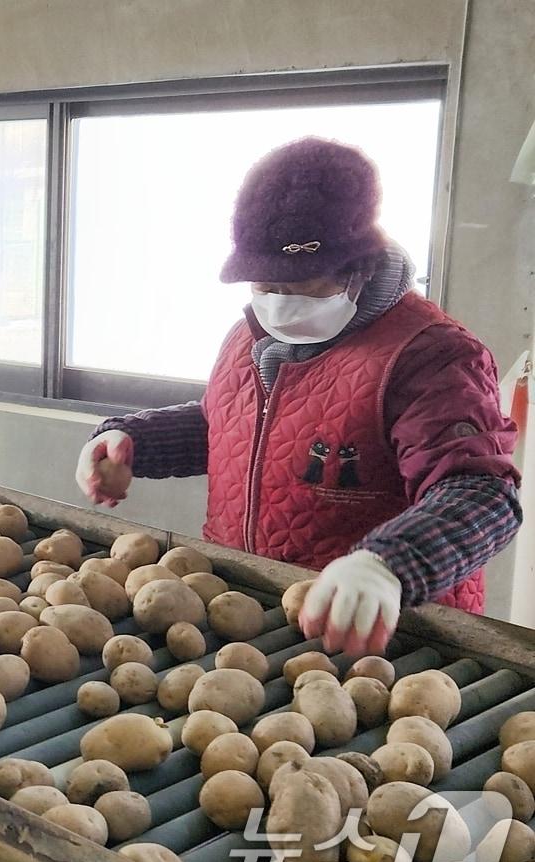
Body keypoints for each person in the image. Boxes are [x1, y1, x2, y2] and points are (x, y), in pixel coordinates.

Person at [77, 137, 521, 657]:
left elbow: (483, 494)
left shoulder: (432, 355)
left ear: (358, 266)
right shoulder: (249, 335)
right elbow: (233, 425)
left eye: (301, 285)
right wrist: (134, 440)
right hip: (251, 615)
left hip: (383, 634)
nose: (279, 302)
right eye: (264, 284)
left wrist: (388, 565)